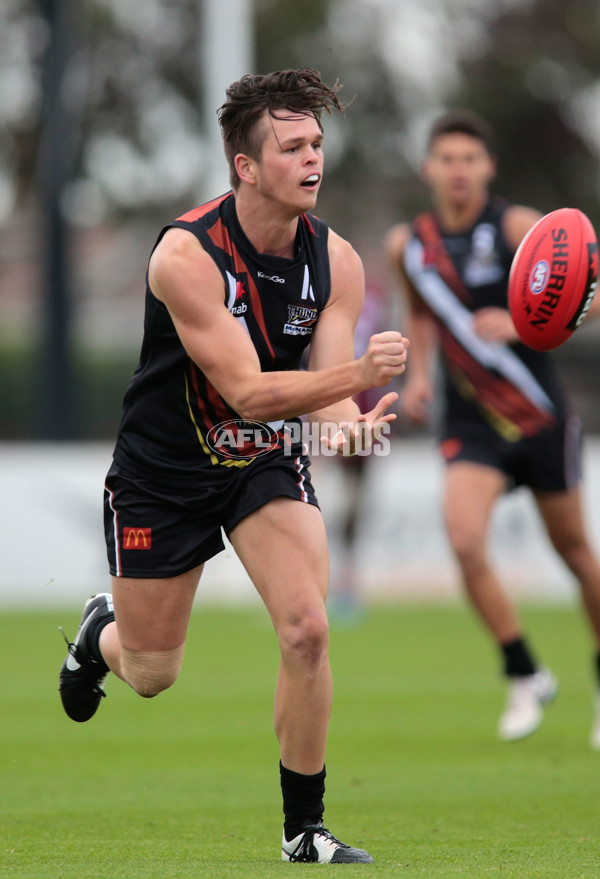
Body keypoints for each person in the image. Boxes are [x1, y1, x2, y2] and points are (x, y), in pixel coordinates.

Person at [58, 68, 408, 864]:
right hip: (164, 469)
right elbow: (249, 391)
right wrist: (357, 378)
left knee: (308, 627)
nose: (312, 158)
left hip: (261, 461)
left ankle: (304, 830)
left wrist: (353, 429)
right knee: (151, 672)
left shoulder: (336, 262)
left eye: (317, 143)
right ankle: (97, 635)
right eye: (291, 146)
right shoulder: (186, 256)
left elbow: (317, 405)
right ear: (245, 166)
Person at [385, 109, 600, 745]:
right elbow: (422, 311)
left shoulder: (515, 225)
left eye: (469, 159)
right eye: (446, 159)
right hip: (470, 420)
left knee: (576, 553)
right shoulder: (409, 245)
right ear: (428, 167)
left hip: (537, 411)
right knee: (464, 538)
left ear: (488, 168)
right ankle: (523, 671)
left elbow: (587, 287)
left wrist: (525, 323)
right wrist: (418, 375)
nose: (458, 170)